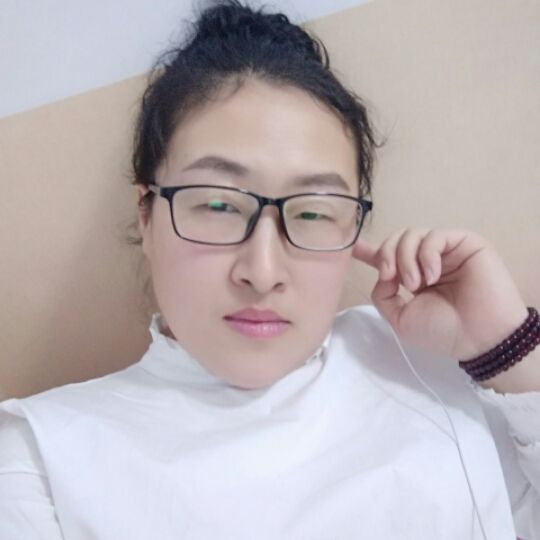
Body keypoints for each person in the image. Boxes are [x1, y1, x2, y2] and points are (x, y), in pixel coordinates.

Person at [1, 1, 539, 538]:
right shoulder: (40, 460)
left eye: (313, 212)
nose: (262, 272)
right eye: (218, 204)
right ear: (146, 214)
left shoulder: (431, 364)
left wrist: (508, 348)